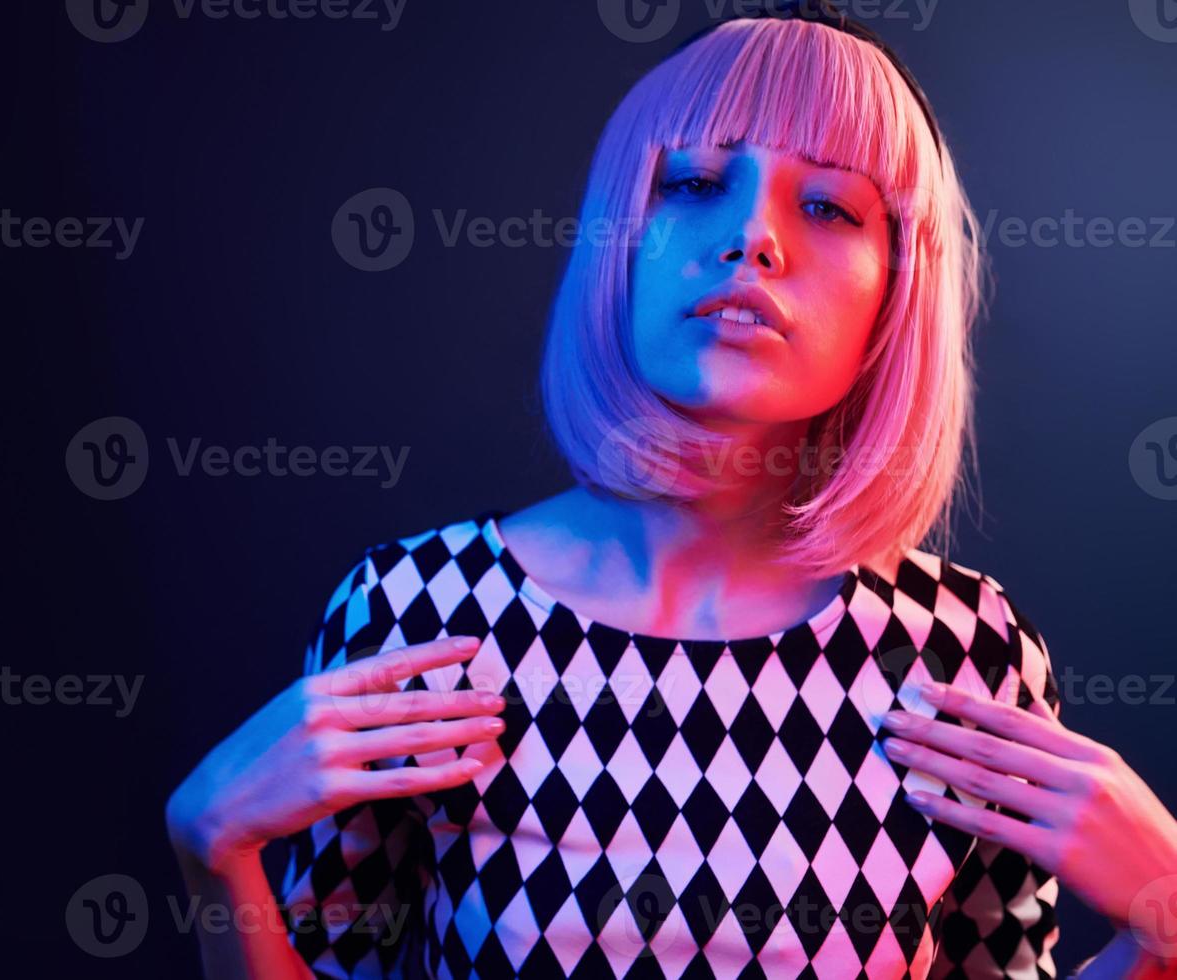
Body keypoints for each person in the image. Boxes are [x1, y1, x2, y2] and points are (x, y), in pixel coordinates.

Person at [164, 5, 1177, 977]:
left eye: (829, 205)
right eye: (692, 183)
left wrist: (1166, 924)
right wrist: (216, 855)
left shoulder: (965, 648)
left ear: (897, 290)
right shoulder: (418, 614)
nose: (755, 239)